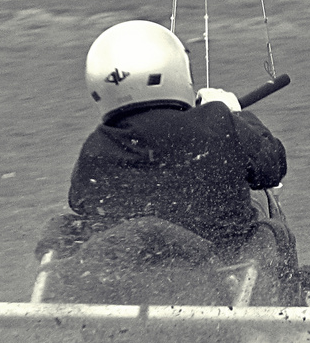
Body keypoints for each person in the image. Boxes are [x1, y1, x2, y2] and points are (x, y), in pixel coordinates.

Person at [66, 19, 287, 250]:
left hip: (124, 277)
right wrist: (236, 114)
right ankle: (287, 286)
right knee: (273, 228)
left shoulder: (95, 146)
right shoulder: (218, 121)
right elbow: (272, 168)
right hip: (219, 271)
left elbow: (79, 202)